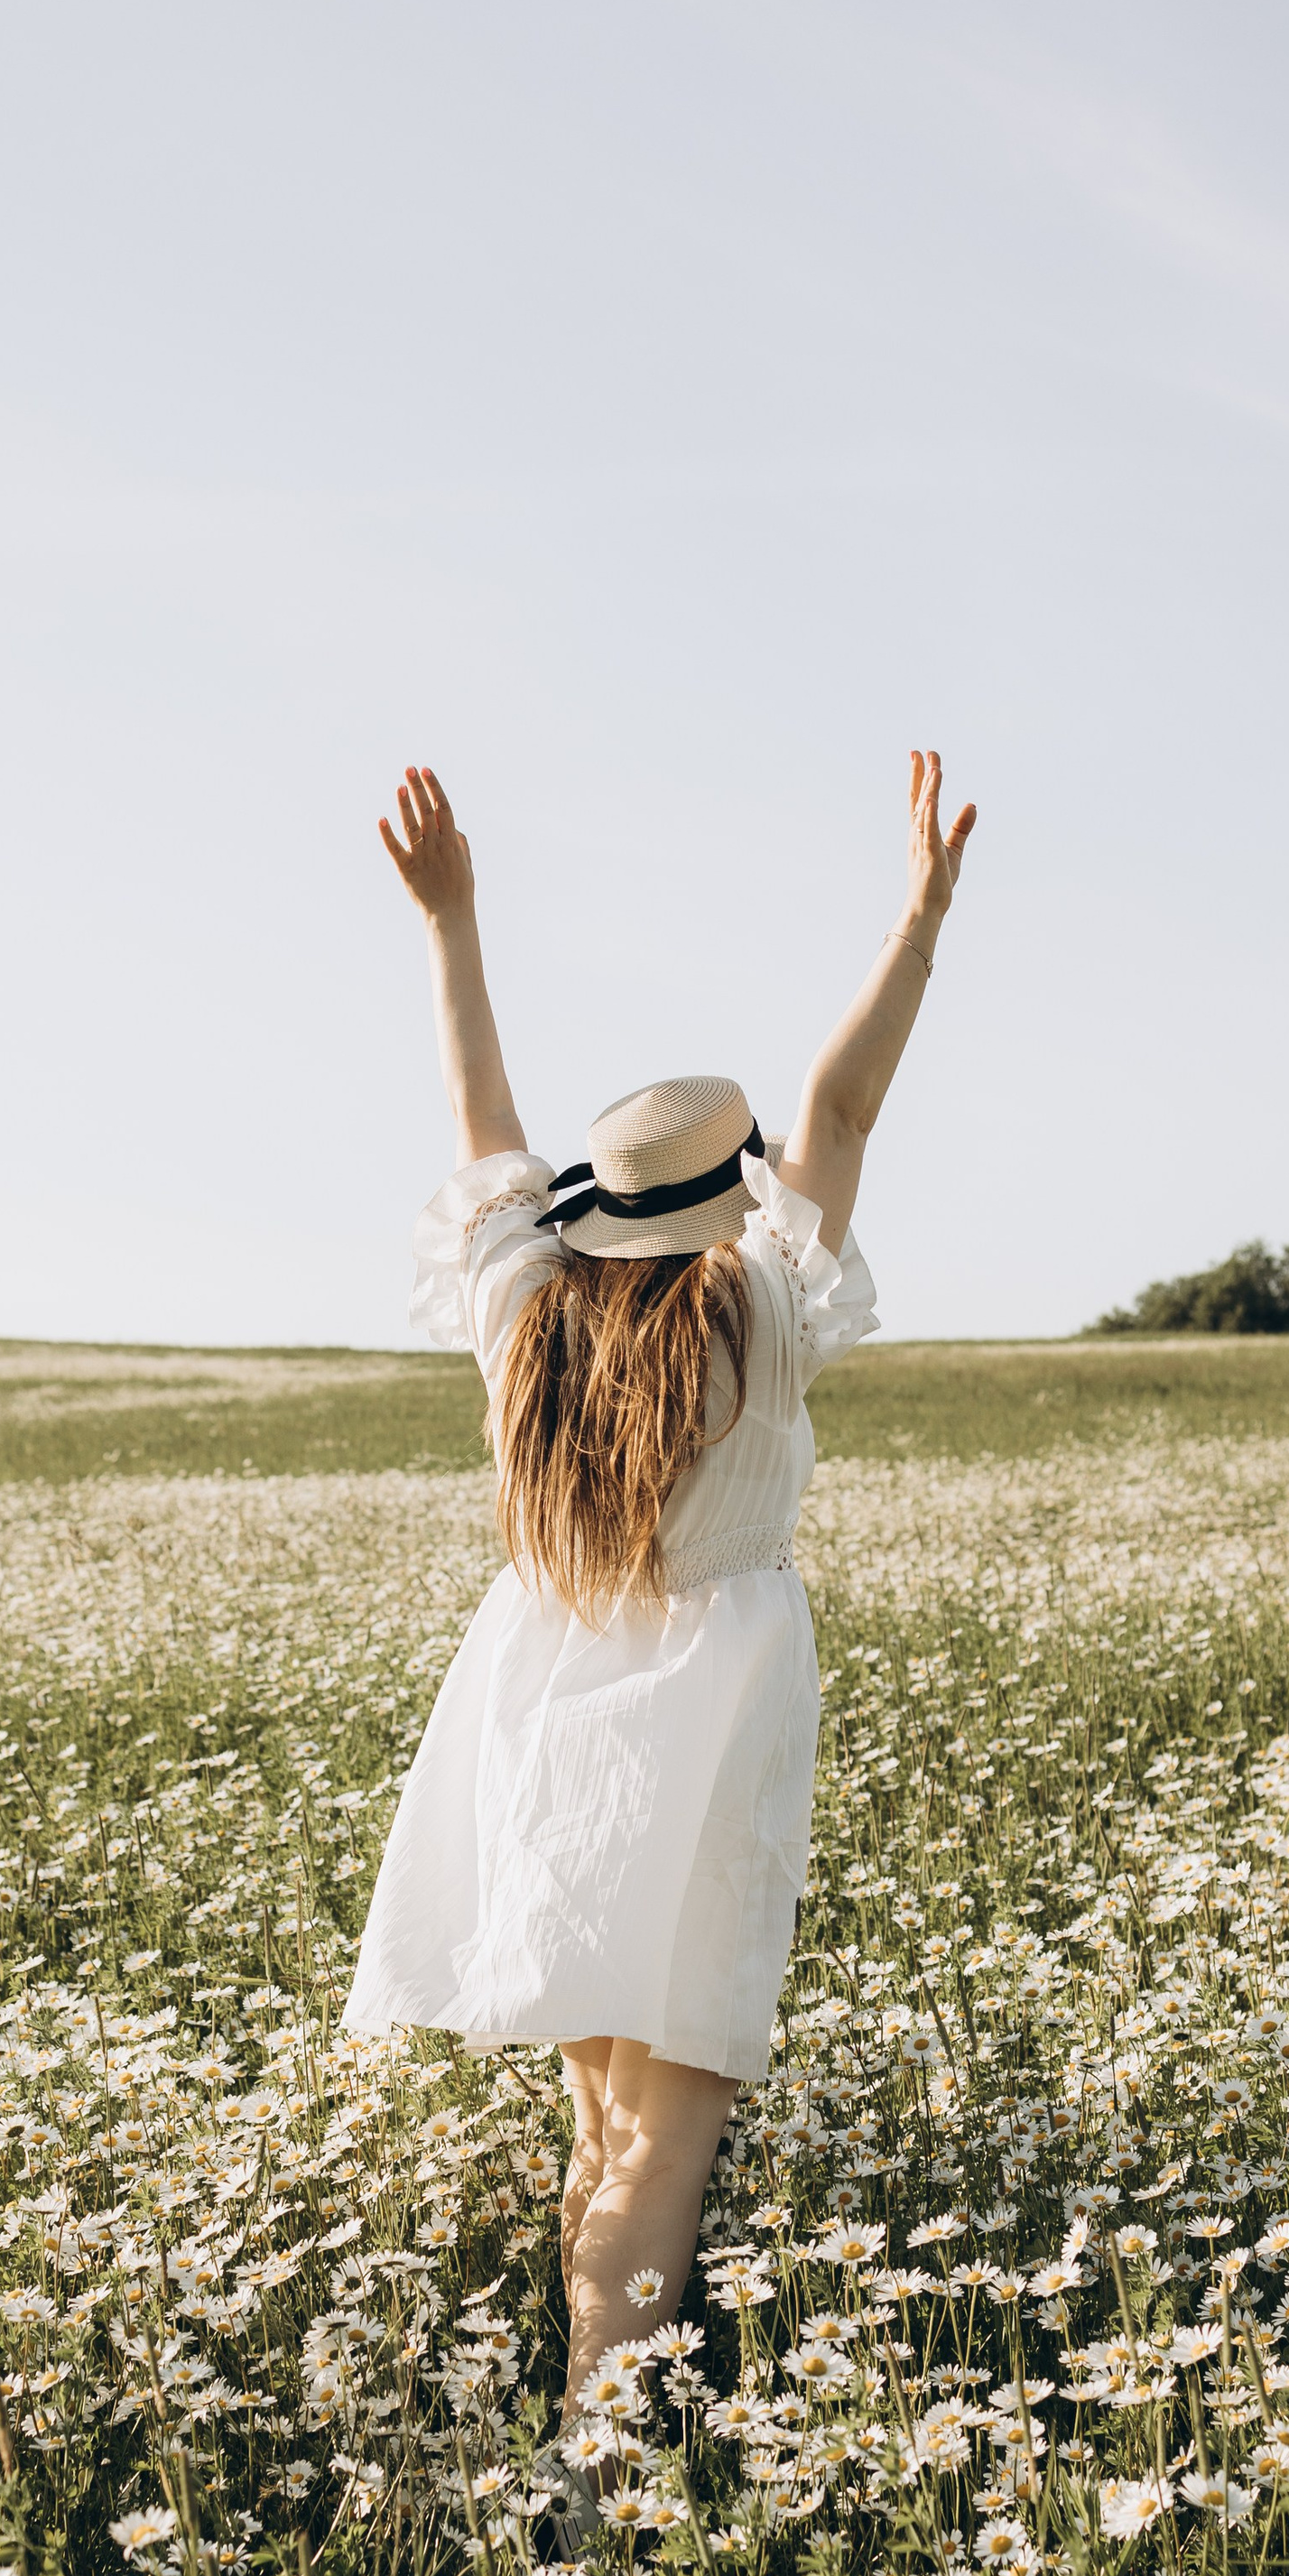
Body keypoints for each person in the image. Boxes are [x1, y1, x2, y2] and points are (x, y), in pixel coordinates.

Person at [343, 751, 976, 2487]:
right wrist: (916, 921)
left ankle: (592, 2434)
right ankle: (598, 2486)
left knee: (609, 2126)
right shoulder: (760, 1307)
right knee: (667, 2134)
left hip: (543, 1724)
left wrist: (452, 923)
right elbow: (838, 1114)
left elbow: (484, 1132)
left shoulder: (527, 1320)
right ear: (732, 1192)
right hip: (710, 1722)